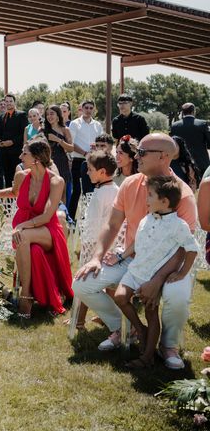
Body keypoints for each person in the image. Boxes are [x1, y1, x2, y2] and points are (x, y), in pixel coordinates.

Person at [73, 133, 197, 369]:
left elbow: (184, 247)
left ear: (163, 156)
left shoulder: (182, 194)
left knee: (178, 295)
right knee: (81, 283)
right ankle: (122, 329)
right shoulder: (129, 183)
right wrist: (96, 258)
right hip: (132, 261)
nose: (135, 155)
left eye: (141, 152)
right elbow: (112, 225)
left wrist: (159, 278)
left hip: (169, 265)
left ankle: (168, 345)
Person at [111, 176, 197, 368]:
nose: (146, 199)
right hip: (135, 271)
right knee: (120, 297)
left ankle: (147, 356)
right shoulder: (147, 218)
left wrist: (182, 273)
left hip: (151, 278)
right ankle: (140, 330)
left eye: (150, 195)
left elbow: (192, 249)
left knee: (151, 313)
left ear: (164, 201)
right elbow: (137, 242)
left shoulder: (178, 225)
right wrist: (122, 256)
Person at [0, 139, 73, 317]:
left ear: (36, 159)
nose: (20, 156)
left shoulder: (56, 181)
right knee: (30, 247)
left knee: (22, 236)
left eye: (24, 153)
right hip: (25, 229)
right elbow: (14, 191)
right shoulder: (22, 175)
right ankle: (31, 296)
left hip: (48, 230)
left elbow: (48, 215)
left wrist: (21, 226)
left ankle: (25, 297)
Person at [72, 151, 119, 330]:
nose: (87, 172)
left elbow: (92, 225)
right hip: (112, 245)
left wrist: (86, 247)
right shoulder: (115, 190)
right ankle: (109, 318)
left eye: (90, 169)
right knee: (110, 287)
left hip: (95, 246)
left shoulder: (100, 194)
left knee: (84, 281)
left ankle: (80, 320)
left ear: (101, 172)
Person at [68, 100, 103, 218]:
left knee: (90, 191)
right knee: (77, 190)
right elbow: (71, 143)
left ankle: (88, 217)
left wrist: (95, 150)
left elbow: (101, 142)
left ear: (93, 109)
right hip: (78, 160)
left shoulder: (97, 125)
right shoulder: (74, 123)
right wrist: (84, 153)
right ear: (81, 109)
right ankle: (71, 218)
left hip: (93, 162)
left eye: (90, 108)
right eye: (86, 108)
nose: (88, 110)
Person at [170, 102, 210, 176]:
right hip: (201, 161)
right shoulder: (202, 124)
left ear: (182, 112)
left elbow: (172, 144)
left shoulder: (174, 126)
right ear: (193, 111)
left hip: (181, 163)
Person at [43, 105, 74, 204]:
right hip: (48, 164)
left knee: (62, 193)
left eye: (52, 113)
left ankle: (63, 216)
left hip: (62, 162)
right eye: (47, 114)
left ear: (58, 115)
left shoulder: (65, 130)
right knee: (47, 193)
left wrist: (58, 140)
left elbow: (71, 148)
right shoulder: (43, 131)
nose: (49, 116)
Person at [0, 94, 28, 187]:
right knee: (7, 177)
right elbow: (0, 132)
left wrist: (12, 141)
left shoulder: (21, 115)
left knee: (18, 177)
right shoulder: (2, 116)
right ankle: (9, 198)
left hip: (16, 153)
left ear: (14, 102)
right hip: (4, 153)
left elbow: (24, 133)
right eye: (6, 101)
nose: (8, 103)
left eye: (10, 101)